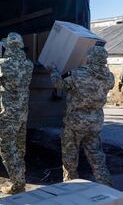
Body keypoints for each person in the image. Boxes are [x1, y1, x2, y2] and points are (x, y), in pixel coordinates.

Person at [48, 46, 114, 186]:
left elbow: (58, 84)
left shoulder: (77, 74)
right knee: (97, 157)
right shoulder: (109, 77)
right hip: (95, 123)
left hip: (75, 123)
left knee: (70, 157)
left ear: (90, 58)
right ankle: (107, 186)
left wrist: (53, 70)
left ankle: (71, 187)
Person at [0, 32, 34, 195]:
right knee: (19, 149)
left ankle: (18, 184)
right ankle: (19, 179)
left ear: (7, 46)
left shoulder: (2, 64)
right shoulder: (28, 64)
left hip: (7, 115)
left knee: (8, 150)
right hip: (22, 114)